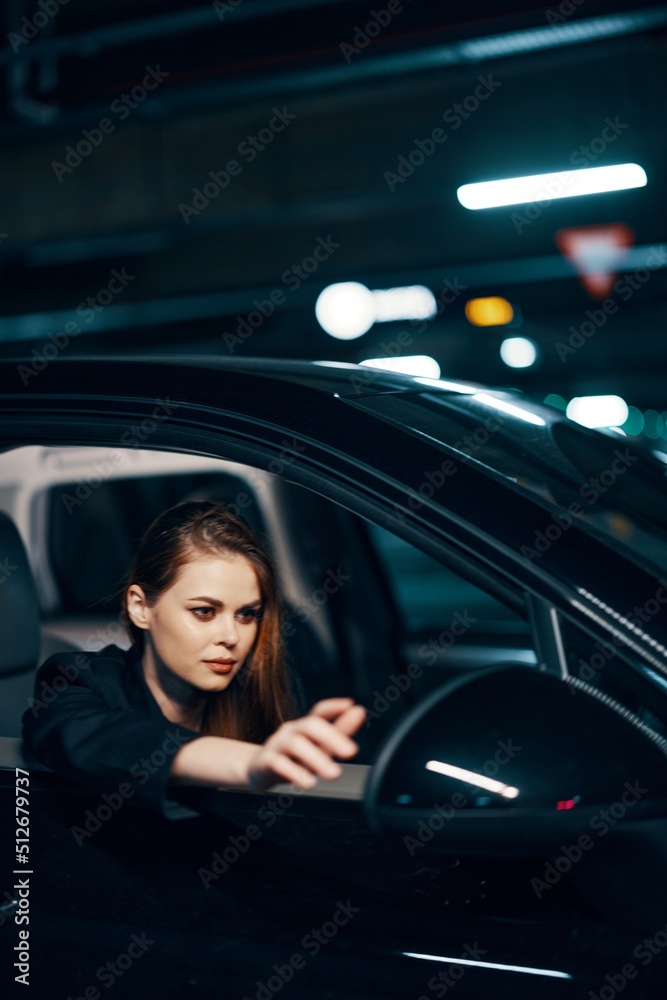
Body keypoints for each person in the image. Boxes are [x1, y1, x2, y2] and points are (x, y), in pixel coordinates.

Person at [21, 500, 367, 817]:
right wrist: (250, 764)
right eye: (204, 611)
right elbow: (85, 735)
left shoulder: (263, 688)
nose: (231, 637)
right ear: (140, 607)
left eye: (246, 614)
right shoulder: (79, 679)